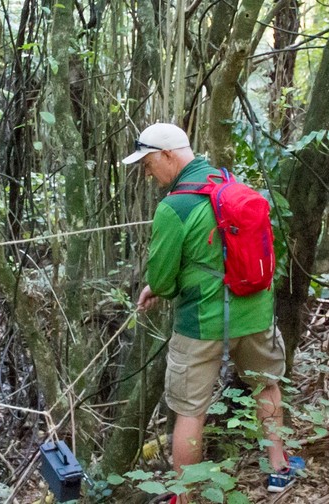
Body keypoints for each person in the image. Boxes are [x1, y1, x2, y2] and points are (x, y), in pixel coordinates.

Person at [126, 123, 304, 496]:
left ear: (168, 155)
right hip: (255, 313)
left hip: (202, 323)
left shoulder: (174, 207)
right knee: (266, 385)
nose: (146, 172)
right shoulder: (233, 185)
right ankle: (279, 470)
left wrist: (157, 289)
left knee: (190, 410)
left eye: (147, 162)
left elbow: (161, 280)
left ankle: (184, 494)